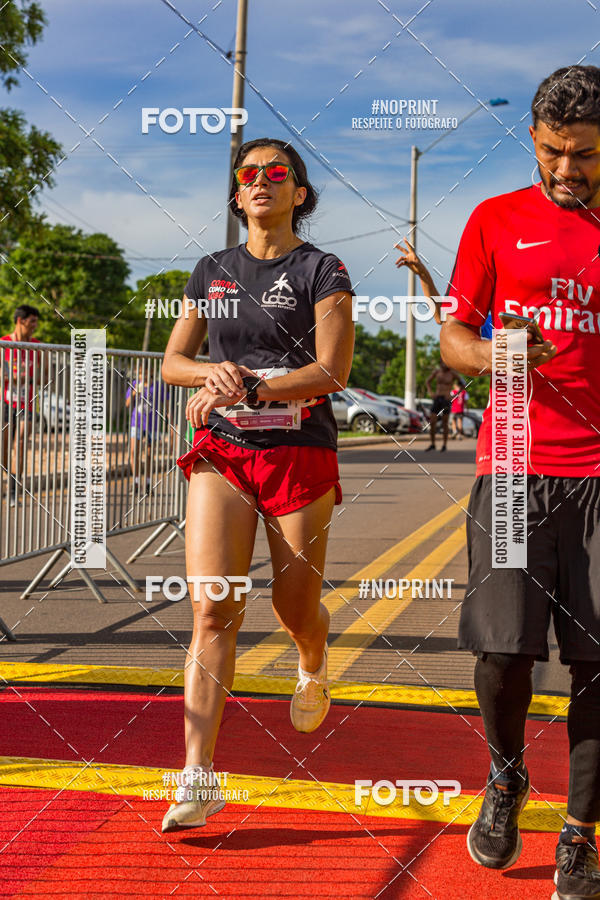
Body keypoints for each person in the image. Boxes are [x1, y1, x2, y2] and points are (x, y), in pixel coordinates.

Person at [160, 137, 354, 833]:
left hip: (300, 451)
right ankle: (197, 775)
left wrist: (251, 381)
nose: (263, 182)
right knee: (213, 609)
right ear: (237, 194)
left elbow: (331, 371)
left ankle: (312, 658)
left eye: (279, 173)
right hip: (224, 450)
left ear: (299, 193)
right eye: (250, 174)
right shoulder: (212, 271)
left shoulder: (322, 270)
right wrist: (211, 376)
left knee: (293, 603)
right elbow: (173, 361)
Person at [440, 66, 600, 900]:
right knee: (502, 651)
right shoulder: (496, 219)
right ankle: (506, 776)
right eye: (550, 152)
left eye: (581, 156)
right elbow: (455, 339)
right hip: (512, 471)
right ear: (534, 139)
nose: (564, 171)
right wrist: (504, 354)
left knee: (598, 662)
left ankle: (581, 832)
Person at [1, 305, 41, 507]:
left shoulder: (37, 346)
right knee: (4, 446)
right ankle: (9, 474)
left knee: (22, 443)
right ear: (20, 320)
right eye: (32, 321)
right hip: (6, 400)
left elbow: (43, 376)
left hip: (29, 402)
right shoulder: (4, 343)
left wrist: (32, 377)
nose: (35, 325)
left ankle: (14, 490)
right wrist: (11, 377)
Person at [424, 361, 455, 451]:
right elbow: (428, 382)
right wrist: (430, 392)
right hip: (437, 398)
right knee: (432, 421)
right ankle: (433, 444)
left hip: (446, 400)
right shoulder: (437, 372)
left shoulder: (452, 373)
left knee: (445, 423)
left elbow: (463, 384)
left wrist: (453, 396)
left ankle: (444, 445)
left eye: (445, 363)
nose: (444, 365)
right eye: (442, 363)